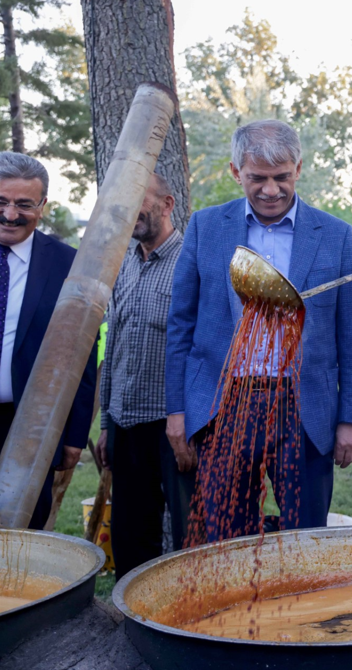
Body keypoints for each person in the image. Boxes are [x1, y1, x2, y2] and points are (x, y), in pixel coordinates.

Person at [165, 120, 352, 541]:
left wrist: (351, 418)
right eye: (258, 178)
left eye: (282, 177)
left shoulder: (336, 235)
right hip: (225, 405)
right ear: (236, 172)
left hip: (302, 408)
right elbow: (181, 326)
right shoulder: (206, 228)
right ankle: (236, 605)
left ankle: (305, 606)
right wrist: (178, 411)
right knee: (226, 535)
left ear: (299, 167)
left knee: (306, 534)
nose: (271, 190)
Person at [95, 174, 196, 579]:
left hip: (177, 427)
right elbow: (113, 344)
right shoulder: (124, 262)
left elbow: (206, 352)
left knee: (192, 533)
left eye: (138, 202)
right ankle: (132, 623)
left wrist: (188, 418)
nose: (128, 214)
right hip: (126, 423)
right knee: (130, 535)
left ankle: (195, 625)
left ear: (167, 204)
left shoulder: (194, 260)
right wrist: (107, 425)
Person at [0, 152, 96, 530]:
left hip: (32, 428)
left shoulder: (69, 264)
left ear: (43, 206)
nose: (10, 215)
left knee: (22, 542)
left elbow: (82, 351)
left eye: (23, 204)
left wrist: (74, 436)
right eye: (2, 202)